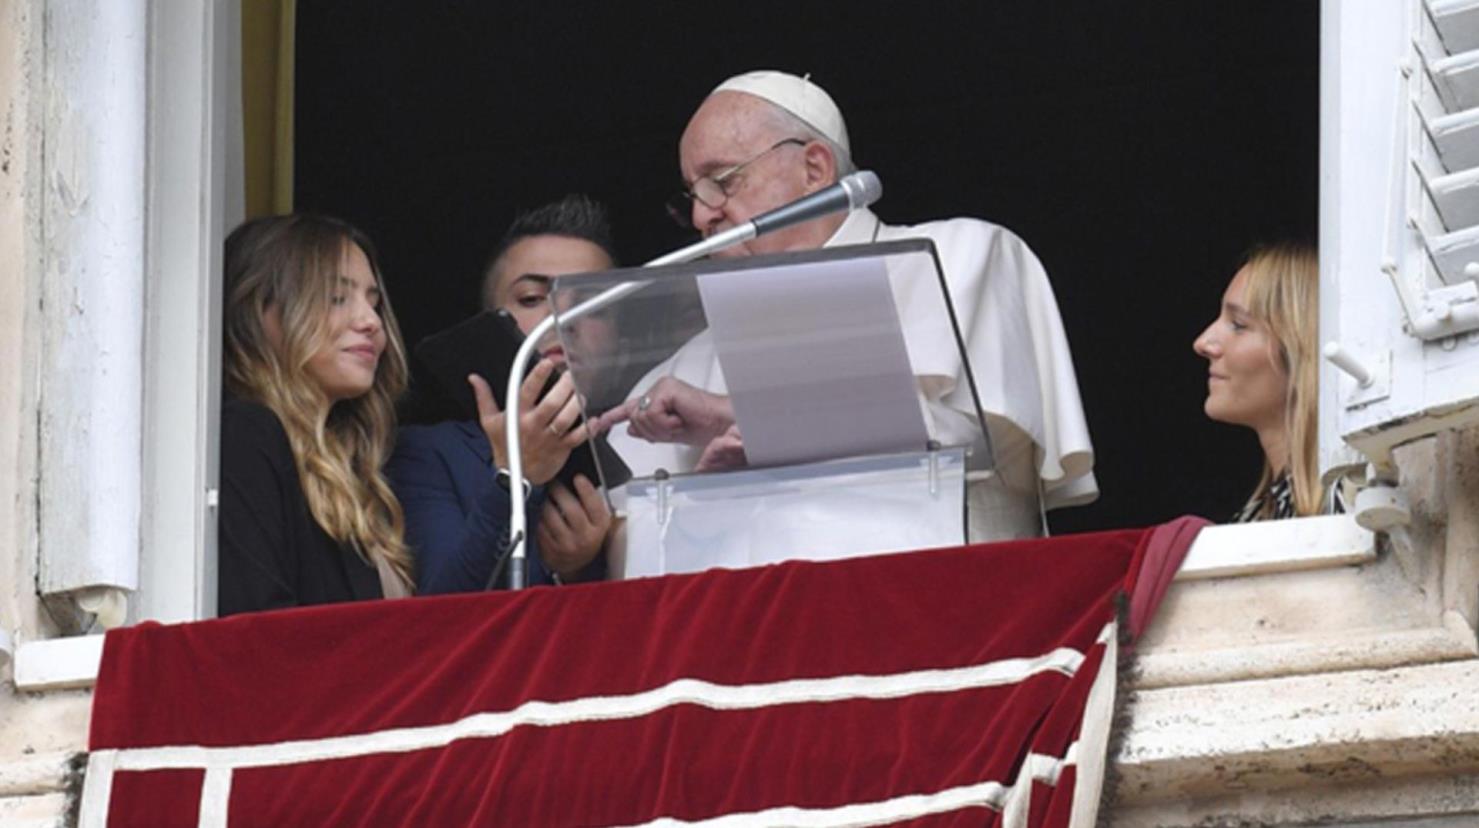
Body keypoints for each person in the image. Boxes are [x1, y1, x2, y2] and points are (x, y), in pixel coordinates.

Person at [600, 70, 1097, 541]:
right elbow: (636, 540)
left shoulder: (959, 255)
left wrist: (731, 415)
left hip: (946, 612)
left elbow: (963, 439)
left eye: (722, 181)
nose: (700, 214)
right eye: (691, 194)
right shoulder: (685, 365)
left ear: (814, 168)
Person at [387, 195, 618, 592]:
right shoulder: (428, 452)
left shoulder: (648, 444)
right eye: (531, 299)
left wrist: (579, 570)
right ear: (488, 324)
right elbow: (443, 610)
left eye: (591, 303)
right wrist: (517, 479)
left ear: (622, 338)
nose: (560, 318)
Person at [218, 214, 415, 615]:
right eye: (337, 298)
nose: (372, 323)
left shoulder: (351, 471)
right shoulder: (245, 434)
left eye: (374, 303)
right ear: (260, 312)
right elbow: (259, 630)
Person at [1193, 242, 1343, 521]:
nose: (1203, 343)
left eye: (1238, 325)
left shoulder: (1355, 508)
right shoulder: (1257, 516)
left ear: (1302, 350)